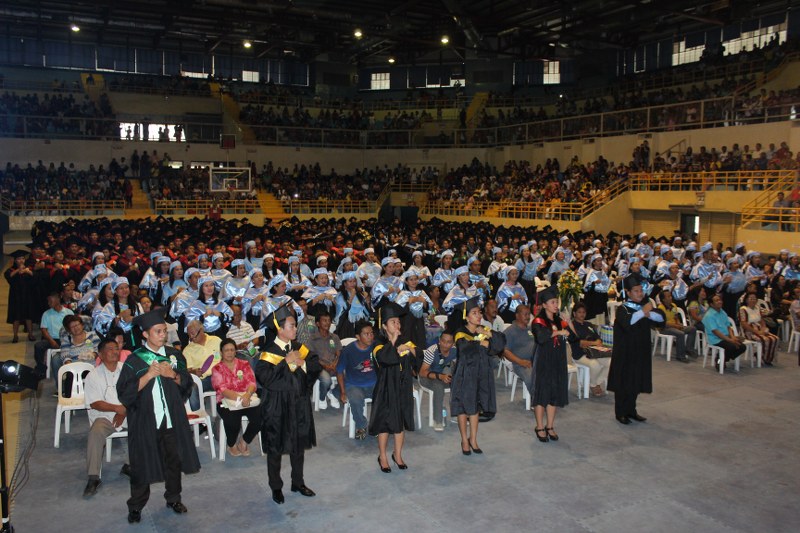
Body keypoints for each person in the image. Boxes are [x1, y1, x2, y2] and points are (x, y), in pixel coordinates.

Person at [116, 309, 200, 524]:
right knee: (141, 463)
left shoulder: (174, 355)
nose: (163, 335)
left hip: (171, 418)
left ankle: (173, 498)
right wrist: (148, 375)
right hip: (145, 420)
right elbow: (124, 393)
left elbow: (187, 383)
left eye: (164, 330)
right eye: (158, 331)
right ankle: (136, 506)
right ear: (145, 334)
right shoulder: (134, 360)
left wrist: (172, 375)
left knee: (174, 460)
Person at [256, 304, 321, 504]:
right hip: (277, 406)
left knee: (298, 445)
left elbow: (316, 364)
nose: (295, 329)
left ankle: (298, 482)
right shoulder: (268, 353)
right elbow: (266, 379)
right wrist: (286, 362)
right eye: (292, 326)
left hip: (299, 403)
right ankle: (276, 487)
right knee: (275, 448)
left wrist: (302, 364)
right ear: (280, 329)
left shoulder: (299, 348)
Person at [450, 297, 505, 455]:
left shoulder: (483, 329)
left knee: (475, 408)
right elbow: (464, 349)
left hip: (481, 373)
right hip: (465, 374)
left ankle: (473, 439)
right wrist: (481, 342)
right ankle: (464, 440)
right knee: (463, 407)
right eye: (474, 313)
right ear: (466, 317)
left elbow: (499, 345)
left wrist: (488, 334)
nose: (479, 315)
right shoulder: (460, 333)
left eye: (479, 312)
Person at [608, 276, 665, 425]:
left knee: (636, 382)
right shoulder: (623, 309)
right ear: (628, 292)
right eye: (636, 291)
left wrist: (647, 313)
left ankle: (631, 410)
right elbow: (629, 322)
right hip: (625, 353)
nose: (640, 293)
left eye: (641, 291)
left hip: (640, 352)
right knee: (623, 383)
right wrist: (642, 312)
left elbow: (660, 319)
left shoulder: (644, 306)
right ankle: (620, 413)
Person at [369, 302, 416, 472]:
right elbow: (384, 358)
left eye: (398, 322)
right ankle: (382, 456)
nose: (397, 325)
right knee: (384, 423)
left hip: (402, 386)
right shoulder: (378, 343)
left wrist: (408, 349)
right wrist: (395, 343)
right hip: (386, 387)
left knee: (400, 422)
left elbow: (417, 355)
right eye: (393, 322)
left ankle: (398, 454)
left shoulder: (404, 340)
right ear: (384, 326)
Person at [83, 338, 129, 498]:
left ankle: (130, 466)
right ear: (101, 355)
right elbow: (95, 403)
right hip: (104, 416)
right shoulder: (93, 375)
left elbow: (135, 393)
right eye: (110, 349)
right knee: (95, 432)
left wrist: (124, 411)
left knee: (144, 422)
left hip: (127, 412)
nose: (115, 351)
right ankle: (93, 477)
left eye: (116, 348)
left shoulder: (126, 370)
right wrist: (117, 409)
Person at [530, 286, 574, 442]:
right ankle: (539, 426)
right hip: (543, 359)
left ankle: (550, 425)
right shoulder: (538, 321)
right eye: (553, 302)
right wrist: (558, 332)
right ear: (544, 305)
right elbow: (541, 337)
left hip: (557, 360)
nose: (556, 305)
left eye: (557, 302)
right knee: (542, 393)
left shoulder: (559, 320)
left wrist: (569, 322)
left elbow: (574, 338)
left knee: (554, 392)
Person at [211, 338, 261, 457]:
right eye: (226, 350)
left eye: (232, 350)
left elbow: (252, 382)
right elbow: (222, 389)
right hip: (225, 401)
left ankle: (244, 441)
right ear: (221, 352)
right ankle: (231, 444)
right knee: (233, 420)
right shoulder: (217, 369)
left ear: (235, 351)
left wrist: (247, 395)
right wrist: (240, 398)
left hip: (246, 398)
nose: (229, 352)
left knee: (261, 416)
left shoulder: (244, 364)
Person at [337, 321, 378, 440]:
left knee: (385, 395)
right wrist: (343, 392)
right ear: (358, 336)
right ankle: (361, 426)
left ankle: (378, 424)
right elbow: (339, 371)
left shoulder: (376, 347)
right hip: (354, 384)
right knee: (355, 400)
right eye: (366, 334)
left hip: (373, 383)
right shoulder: (348, 351)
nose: (370, 336)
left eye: (371, 333)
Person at [568, 302, 611, 397]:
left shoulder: (588, 324)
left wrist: (598, 342)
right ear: (574, 313)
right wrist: (594, 343)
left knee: (610, 362)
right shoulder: (571, 326)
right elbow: (580, 343)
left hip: (595, 352)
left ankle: (596, 383)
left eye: (584, 312)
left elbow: (598, 338)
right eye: (579, 312)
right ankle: (593, 385)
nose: (582, 314)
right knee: (595, 365)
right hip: (580, 354)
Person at [419, 330, 458, 431]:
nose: (445, 344)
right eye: (443, 341)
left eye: (449, 342)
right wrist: (440, 376)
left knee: (461, 382)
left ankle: (456, 414)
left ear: (453, 343)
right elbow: (422, 372)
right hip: (427, 377)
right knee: (438, 386)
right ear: (439, 340)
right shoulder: (432, 351)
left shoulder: (455, 351)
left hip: (445, 376)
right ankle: (438, 420)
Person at [183, 320, 222, 411]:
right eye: (189, 335)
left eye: (193, 334)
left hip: (221, 375)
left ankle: (231, 409)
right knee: (191, 387)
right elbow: (187, 370)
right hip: (204, 379)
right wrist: (193, 372)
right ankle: (198, 415)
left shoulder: (216, 340)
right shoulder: (187, 350)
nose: (191, 337)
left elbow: (227, 356)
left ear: (201, 330)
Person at [306, 311, 342, 410]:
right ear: (318, 323)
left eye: (329, 320)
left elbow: (339, 354)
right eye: (324, 320)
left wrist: (335, 364)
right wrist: (325, 366)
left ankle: (333, 393)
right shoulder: (312, 338)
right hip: (319, 366)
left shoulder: (334, 337)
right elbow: (312, 358)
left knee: (350, 374)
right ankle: (322, 397)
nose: (327, 323)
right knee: (326, 380)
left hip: (334, 365)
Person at [33, 292, 74, 377]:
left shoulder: (68, 312)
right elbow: (44, 330)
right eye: (48, 301)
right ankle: (41, 369)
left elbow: (73, 327)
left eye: (50, 301)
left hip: (66, 338)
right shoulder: (46, 314)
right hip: (53, 339)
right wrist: (51, 341)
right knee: (38, 346)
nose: (48, 303)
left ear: (58, 299)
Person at [702, 293, 746, 370]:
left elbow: (728, 326)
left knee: (742, 347)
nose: (720, 302)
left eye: (720, 300)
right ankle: (720, 360)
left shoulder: (722, 312)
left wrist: (732, 337)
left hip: (726, 337)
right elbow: (715, 332)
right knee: (731, 346)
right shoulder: (709, 315)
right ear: (711, 304)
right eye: (716, 301)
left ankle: (722, 359)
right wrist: (730, 340)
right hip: (715, 339)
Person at [502, 305, 535, 396]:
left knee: (550, 371)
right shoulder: (510, 331)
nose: (528, 317)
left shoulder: (530, 329)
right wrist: (521, 362)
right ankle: (537, 400)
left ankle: (548, 398)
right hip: (521, 364)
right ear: (517, 315)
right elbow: (505, 352)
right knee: (532, 377)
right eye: (525, 314)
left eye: (529, 314)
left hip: (535, 360)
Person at [656, 290, 697, 363]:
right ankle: (680, 356)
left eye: (670, 296)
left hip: (675, 326)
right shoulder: (660, 308)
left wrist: (679, 324)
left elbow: (676, 317)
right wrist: (676, 326)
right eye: (668, 296)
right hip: (664, 328)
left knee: (692, 329)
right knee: (680, 334)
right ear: (663, 299)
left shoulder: (673, 305)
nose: (671, 298)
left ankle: (689, 349)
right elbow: (663, 323)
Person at [5, 250, 37, 343]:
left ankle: (30, 334)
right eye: (19, 259)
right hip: (16, 296)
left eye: (23, 258)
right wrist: (18, 270)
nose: (21, 260)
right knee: (16, 316)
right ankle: (15, 336)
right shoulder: (11, 270)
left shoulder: (28, 269)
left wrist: (28, 272)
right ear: (15, 260)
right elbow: (9, 276)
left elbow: (35, 278)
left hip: (27, 295)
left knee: (28, 316)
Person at [739, 293, 779, 366]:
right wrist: (757, 332)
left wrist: (763, 328)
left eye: (754, 299)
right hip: (749, 331)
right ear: (746, 300)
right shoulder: (743, 309)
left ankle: (768, 358)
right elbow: (744, 324)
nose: (753, 300)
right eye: (751, 298)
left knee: (775, 338)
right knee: (765, 339)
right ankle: (761, 357)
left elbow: (761, 320)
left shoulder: (757, 308)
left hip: (759, 328)